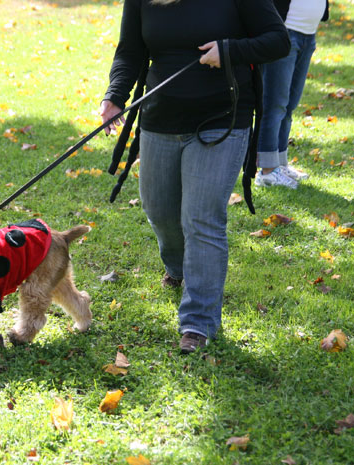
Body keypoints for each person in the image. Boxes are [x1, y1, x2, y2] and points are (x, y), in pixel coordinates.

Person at [99, 0, 290, 353]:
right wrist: (115, 96)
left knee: (202, 217)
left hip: (222, 117)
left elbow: (278, 41)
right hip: (160, 119)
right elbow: (131, 50)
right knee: (160, 210)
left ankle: (198, 323)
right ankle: (179, 266)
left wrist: (230, 50)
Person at [256, 0, 330, 188]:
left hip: (308, 34)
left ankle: (280, 164)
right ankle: (267, 171)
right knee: (274, 104)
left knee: (289, 105)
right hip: (284, 33)